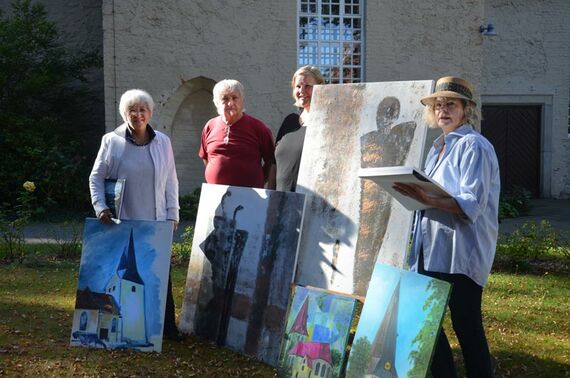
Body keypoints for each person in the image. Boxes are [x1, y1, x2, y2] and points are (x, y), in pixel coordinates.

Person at [393, 76, 500, 378]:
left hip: (460, 252)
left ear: (466, 109)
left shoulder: (474, 146)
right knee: (425, 320)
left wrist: (426, 197)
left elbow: (471, 204)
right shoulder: (437, 147)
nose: (442, 110)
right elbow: (430, 197)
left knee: (466, 325)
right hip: (430, 248)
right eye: (438, 105)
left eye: (450, 104)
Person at [89, 89, 181, 340]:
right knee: (123, 277)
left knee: (159, 276)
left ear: (150, 113)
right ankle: (118, 331)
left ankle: (165, 331)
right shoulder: (112, 141)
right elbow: (96, 177)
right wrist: (100, 207)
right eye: (132, 110)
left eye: (142, 110)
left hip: (156, 221)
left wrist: (173, 214)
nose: (138, 114)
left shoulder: (163, 141)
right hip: (122, 221)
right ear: (124, 114)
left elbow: (171, 180)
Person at [199, 79, 275, 188]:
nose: (231, 103)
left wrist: (259, 181)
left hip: (249, 197)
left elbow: (270, 160)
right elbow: (206, 158)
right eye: (225, 98)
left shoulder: (258, 127)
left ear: (242, 100)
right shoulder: (210, 126)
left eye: (235, 98)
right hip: (216, 196)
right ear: (216, 102)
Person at [268, 65, 325, 191]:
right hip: (281, 201)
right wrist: (270, 197)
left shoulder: (326, 123)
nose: (302, 91)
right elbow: (274, 164)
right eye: (298, 86)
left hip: (309, 202)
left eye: (308, 86)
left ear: (320, 88)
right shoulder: (290, 121)